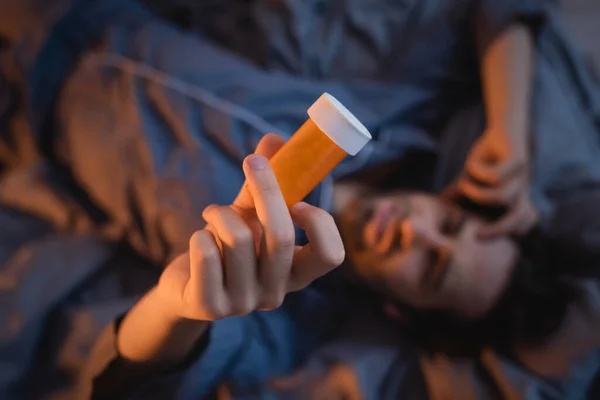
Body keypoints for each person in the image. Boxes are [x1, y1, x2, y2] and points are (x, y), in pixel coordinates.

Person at [1, 0, 600, 399]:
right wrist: (509, 127)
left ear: (401, 311)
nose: (418, 233)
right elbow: (501, 11)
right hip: (87, 13)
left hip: (29, 113)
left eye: (432, 267)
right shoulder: (406, 115)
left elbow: (139, 380)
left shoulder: (286, 304)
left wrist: (176, 306)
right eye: (450, 224)